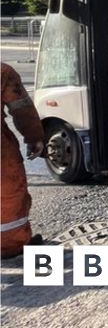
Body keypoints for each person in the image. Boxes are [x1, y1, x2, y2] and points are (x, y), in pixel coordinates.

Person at [1, 62, 46, 258]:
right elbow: (22, 109)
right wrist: (35, 137)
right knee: (8, 195)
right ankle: (11, 245)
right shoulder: (3, 72)